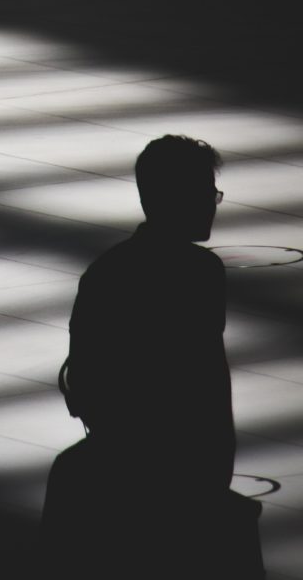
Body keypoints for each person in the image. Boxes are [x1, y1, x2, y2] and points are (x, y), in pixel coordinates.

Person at [42, 134, 264, 579]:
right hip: (179, 466)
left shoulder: (105, 272)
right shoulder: (200, 273)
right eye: (206, 192)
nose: (213, 204)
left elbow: (83, 375)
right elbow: (205, 382)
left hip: (116, 456)